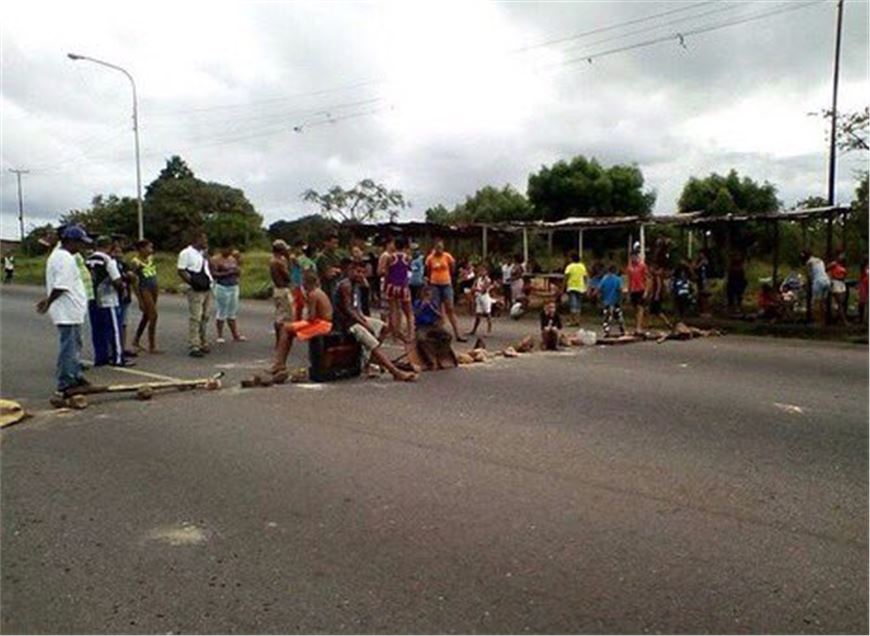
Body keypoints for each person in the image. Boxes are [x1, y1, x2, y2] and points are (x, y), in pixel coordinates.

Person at [334, 260, 416, 382]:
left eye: (363, 272)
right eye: (357, 271)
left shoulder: (356, 284)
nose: (360, 275)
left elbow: (358, 308)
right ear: (350, 270)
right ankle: (395, 371)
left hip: (355, 318)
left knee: (384, 327)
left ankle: (369, 359)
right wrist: (364, 324)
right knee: (372, 342)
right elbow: (348, 309)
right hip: (346, 323)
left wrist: (364, 319)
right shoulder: (346, 285)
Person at [37, 225, 92, 397]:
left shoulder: (61, 255)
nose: (82, 247)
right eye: (80, 243)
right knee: (69, 347)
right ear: (70, 241)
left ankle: (75, 375)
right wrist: (48, 302)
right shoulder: (64, 258)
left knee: (75, 345)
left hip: (71, 310)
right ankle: (66, 382)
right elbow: (61, 285)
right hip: (67, 310)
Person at [270, 271, 334, 375]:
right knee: (288, 329)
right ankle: (280, 363)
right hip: (323, 322)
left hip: (322, 324)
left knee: (285, 328)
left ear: (305, 283)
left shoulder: (313, 294)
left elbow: (312, 317)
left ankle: (279, 363)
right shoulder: (319, 292)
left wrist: (302, 319)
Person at [85, 236, 130, 367]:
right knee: (114, 330)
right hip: (108, 299)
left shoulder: (88, 260)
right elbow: (117, 280)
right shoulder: (107, 260)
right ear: (109, 246)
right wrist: (122, 288)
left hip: (93, 298)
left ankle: (100, 357)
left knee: (97, 330)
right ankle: (117, 358)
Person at [177, 231, 214, 357]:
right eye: (204, 240)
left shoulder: (202, 254)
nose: (206, 242)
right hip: (195, 287)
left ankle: (202, 340)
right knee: (196, 317)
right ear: (197, 239)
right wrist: (193, 282)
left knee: (205, 315)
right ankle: (194, 344)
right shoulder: (186, 253)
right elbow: (181, 270)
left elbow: (209, 267)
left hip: (207, 286)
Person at [425, 239, 466, 342]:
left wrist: (449, 277)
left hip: (446, 284)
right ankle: (440, 333)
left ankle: (457, 333)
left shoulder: (447, 257)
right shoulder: (430, 258)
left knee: (450, 308)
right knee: (437, 309)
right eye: (437, 247)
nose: (439, 250)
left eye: (441, 247)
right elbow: (428, 271)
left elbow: (452, 268)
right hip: (435, 285)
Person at [130, 239, 161, 354]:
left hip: (154, 288)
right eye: (148, 248)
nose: (151, 250)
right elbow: (133, 281)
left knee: (147, 316)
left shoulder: (150, 259)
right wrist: (139, 299)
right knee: (153, 316)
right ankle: (152, 345)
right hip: (145, 289)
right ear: (141, 249)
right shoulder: (136, 262)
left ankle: (136, 339)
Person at [381, 237, 414, 343]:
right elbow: (408, 271)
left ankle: (395, 335)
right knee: (409, 312)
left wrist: (386, 285)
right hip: (403, 286)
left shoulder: (390, 257)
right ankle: (410, 334)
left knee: (393, 311)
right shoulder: (408, 258)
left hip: (392, 285)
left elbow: (386, 273)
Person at [211, 246, 246, 343]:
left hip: (233, 286)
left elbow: (238, 271)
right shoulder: (215, 259)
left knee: (232, 311)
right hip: (222, 286)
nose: (229, 251)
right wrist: (228, 273)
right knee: (222, 310)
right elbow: (214, 274)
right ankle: (220, 335)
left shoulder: (233, 259)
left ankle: (235, 334)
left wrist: (237, 271)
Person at [111, 242, 137, 358]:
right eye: (116, 252)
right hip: (115, 298)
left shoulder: (123, 264)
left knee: (123, 324)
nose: (119, 254)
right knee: (114, 324)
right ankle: (113, 350)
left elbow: (132, 279)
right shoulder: (110, 264)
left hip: (125, 297)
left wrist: (131, 276)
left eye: (120, 252)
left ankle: (122, 347)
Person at [802, 249, 830, 327]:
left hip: (818, 282)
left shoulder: (808, 263)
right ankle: (823, 321)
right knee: (823, 302)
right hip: (826, 280)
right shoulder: (820, 260)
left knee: (816, 303)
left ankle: (817, 322)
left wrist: (806, 285)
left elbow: (809, 277)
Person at [598, 264, 626, 338]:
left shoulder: (604, 279)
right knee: (619, 316)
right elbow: (620, 289)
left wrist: (600, 297)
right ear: (615, 271)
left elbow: (599, 289)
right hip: (615, 301)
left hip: (606, 301)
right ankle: (622, 329)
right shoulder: (618, 279)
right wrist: (622, 298)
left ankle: (607, 331)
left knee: (607, 317)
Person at [562, 251, 588, 325]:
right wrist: (586, 286)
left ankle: (572, 320)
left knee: (573, 304)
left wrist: (563, 287)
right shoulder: (582, 266)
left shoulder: (569, 267)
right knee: (578, 305)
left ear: (572, 258)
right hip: (580, 287)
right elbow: (585, 277)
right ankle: (578, 320)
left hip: (572, 287)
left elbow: (566, 277)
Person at [626, 250, 648, 334]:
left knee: (640, 308)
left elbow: (646, 278)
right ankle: (637, 325)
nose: (633, 258)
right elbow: (629, 280)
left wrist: (646, 290)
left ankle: (638, 327)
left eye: (635, 256)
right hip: (633, 290)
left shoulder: (642, 266)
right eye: (632, 257)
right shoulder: (629, 267)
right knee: (635, 309)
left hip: (640, 289)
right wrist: (628, 293)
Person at [468, 264, 494, 336]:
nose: (481, 272)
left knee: (487, 314)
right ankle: (474, 330)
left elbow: (484, 290)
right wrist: (475, 289)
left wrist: (475, 289)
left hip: (485, 297)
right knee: (478, 314)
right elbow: (473, 288)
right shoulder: (478, 279)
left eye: (483, 271)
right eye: (480, 271)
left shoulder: (487, 280)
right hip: (478, 297)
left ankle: (489, 331)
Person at [316, 232, 343, 300]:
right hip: (326, 289)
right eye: (333, 243)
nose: (335, 245)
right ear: (326, 243)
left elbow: (343, 270)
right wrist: (337, 270)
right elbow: (329, 275)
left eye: (337, 243)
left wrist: (335, 270)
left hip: (337, 288)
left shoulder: (337, 256)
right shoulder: (322, 257)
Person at [827, 257, 848, 325]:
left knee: (842, 302)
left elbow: (845, 275)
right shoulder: (834, 264)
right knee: (839, 302)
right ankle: (844, 320)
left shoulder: (843, 266)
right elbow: (827, 269)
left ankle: (838, 318)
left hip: (842, 283)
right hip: (836, 282)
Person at [694, 249, 711, 316]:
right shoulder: (698, 261)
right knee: (700, 295)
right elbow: (694, 266)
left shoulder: (705, 261)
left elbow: (698, 266)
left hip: (705, 280)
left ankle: (706, 310)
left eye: (701, 254)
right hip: (700, 280)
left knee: (705, 295)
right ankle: (701, 310)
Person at [858, 258, 868, 325]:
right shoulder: (864, 267)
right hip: (864, 284)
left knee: (863, 302)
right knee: (862, 302)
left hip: (865, 283)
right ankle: (861, 318)